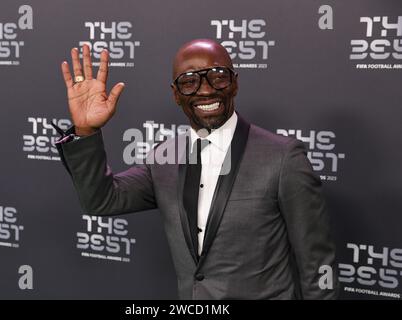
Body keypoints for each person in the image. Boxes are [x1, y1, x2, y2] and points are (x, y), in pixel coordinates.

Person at [55, 39, 339, 299]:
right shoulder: (164, 158)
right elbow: (102, 200)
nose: (205, 89)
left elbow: (317, 267)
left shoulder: (283, 157)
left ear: (234, 84)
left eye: (217, 76)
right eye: (189, 81)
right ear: (176, 95)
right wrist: (86, 130)